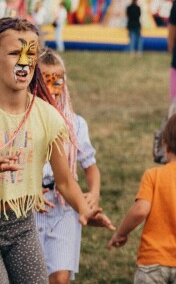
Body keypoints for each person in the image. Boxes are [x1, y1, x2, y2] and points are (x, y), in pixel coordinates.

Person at [0, 17, 111, 281]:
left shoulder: (48, 117)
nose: (24, 62)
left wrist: (84, 209)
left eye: (30, 54)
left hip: (21, 226)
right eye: (14, 53)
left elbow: (65, 180)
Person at [108, 111, 176, 284]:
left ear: (165, 145)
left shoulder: (153, 176)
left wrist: (121, 233)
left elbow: (140, 210)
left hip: (152, 261)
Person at [35, 49, 103, 284]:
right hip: (30, 207)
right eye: (45, 81)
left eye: (57, 81)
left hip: (64, 207)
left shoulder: (75, 124)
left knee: (60, 277)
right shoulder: (24, 121)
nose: (52, 89)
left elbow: (90, 166)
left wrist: (93, 193)